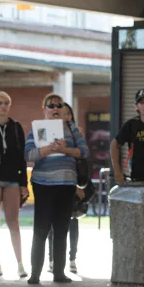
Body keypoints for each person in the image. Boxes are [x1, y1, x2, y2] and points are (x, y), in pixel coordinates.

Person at [24, 94, 88, 285]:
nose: (55, 109)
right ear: (44, 109)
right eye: (50, 106)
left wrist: (65, 149)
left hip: (66, 184)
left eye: (58, 105)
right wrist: (48, 149)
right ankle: (35, 273)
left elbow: (84, 151)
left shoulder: (71, 128)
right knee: (41, 229)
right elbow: (28, 154)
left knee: (62, 228)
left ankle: (59, 273)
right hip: (43, 184)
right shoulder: (36, 129)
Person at [0, 91, 29, 278]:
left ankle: (20, 263)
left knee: (13, 221)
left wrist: (23, 183)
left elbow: (22, 157)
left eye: (6, 103)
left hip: (12, 178)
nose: (3, 106)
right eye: (0, 103)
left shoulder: (16, 127)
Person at [45, 101, 85, 274]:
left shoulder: (77, 135)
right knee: (52, 225)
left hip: (73, 183)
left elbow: (82, 160)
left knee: (72, 222)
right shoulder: (51, 133)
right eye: (64, 113)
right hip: (53, 183)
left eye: (69, 113)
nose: (66, 116)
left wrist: (79, 185)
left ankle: (72, 258)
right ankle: (52, 259)